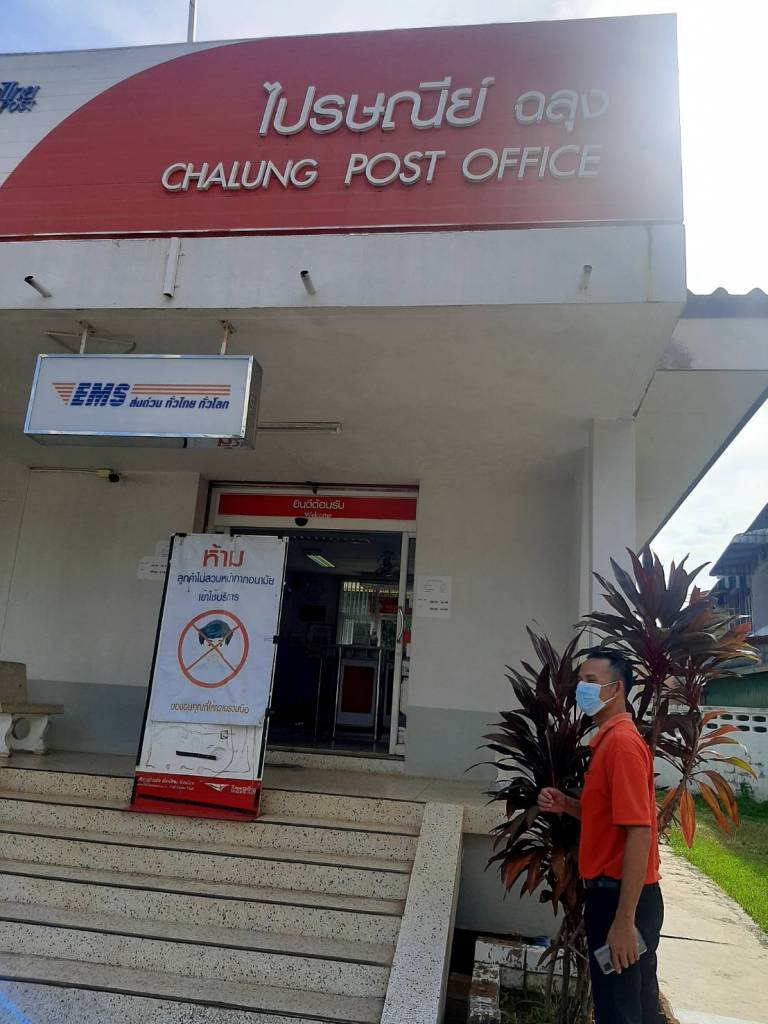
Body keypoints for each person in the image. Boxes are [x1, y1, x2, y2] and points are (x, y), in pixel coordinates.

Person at [538, 649, 664, 1024]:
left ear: (616, 689)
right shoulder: (608, 743)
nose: (582, 688)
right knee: (633, 1006)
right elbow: (612, 819)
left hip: (621, 900)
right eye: (581, 681)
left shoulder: (621, 746)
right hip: (615, 897)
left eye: (591, 681)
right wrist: (568, 805)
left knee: (619, 1010)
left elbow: (639, 832)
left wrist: (624, 921)